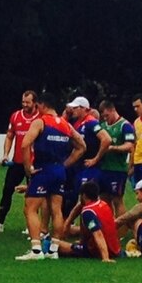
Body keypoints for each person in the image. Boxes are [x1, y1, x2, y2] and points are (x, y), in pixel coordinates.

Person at [15, 92, 85, 261]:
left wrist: (28, 168)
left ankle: (36, 249)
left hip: (43, 169)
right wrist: (65, 164)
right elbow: (82, 146)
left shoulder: (41, 122)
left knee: (30, 208)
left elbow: (25, 144)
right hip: (59, 171)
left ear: (42, 105)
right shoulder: (66, 125)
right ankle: (54, 249)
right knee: (56, 209)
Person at [0, 90, 39, 234]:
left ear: (35, 103)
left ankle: (31, 226)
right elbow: (9, 136)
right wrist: (5, 154)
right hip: (17, 162)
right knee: (7, 190)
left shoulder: (41, 118)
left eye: (28, 102)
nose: (25, 105)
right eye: (23, 102)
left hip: (34, 163)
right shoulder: (16, 116)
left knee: (33, 194)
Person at [57, 181, 119, 262]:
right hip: (115, 248)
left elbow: (98, 234)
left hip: (97, 250)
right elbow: (79, 206)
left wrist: (105, 258)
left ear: (84, 196)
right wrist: (68, 223)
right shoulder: (103, 203)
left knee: (57, 245)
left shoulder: (88, 212)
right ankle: (83, 242)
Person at [69, 97, 111, 213]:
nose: (72, 110)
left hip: (90, 167)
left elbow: (106, 139)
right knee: (79, 198)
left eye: (75, 108)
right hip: (79, 166)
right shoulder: (78, 122)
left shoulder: (91, 122)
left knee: (87, 199)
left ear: (83, 109)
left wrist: (96, 159)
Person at [97, 100, 135, 217]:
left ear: (113, 110)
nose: (105, 118)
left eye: (107, 115)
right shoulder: (103, 126)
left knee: (117, 200)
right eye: (103, 116)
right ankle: (109, 228)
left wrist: (113, 148)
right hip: (103, 169)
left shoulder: (125, 125)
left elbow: (130, 145)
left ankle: (121, 231)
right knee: (103, 199)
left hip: (117, 170)